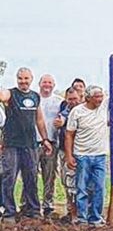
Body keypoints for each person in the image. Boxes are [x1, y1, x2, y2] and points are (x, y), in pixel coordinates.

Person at [0, 67, 51, 223]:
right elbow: (2, 96)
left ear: (31, 79)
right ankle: (9, 212)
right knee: (9, 178)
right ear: (17, 79)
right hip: (11, 144)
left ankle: (33, 210)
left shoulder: (35, 96)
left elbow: (39, 120)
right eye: (20, 78)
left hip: (30, 144)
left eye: (26, 78)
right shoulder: (11, 94)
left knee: (31, 177)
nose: (23, 81)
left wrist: (45, 139)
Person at [65, 85, 108, 226]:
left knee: (99, 187)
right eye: (96, 97)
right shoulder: (77, 112)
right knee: (82, 188)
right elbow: (69, 135)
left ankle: (95, 217)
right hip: (82, 155)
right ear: (88, 98)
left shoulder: (103, 108)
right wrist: (69, 156)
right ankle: (82, 218)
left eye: (101, 96)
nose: (100, 99)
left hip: (100, 155)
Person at [35, 74, 63, 216]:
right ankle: (28, 204)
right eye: (44, 82)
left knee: (49, 176)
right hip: (33, 143)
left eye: (50, 82)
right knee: (30, 175)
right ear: (39, 84)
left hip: (51, 143)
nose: (47, 85)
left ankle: (48, 205)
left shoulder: (59, 102)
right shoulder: (34, 99)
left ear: (54, 85)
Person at [54, 87, 81, 221]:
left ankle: (83, 211)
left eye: (75, 99)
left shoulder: (84, 110)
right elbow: (60, 121)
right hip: (65, 151)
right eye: (70, 99)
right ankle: (72, 212)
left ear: (80, 97)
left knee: (82, 183)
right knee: (68, 183)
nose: (73, 102)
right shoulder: (64, 110)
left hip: (81, 152)